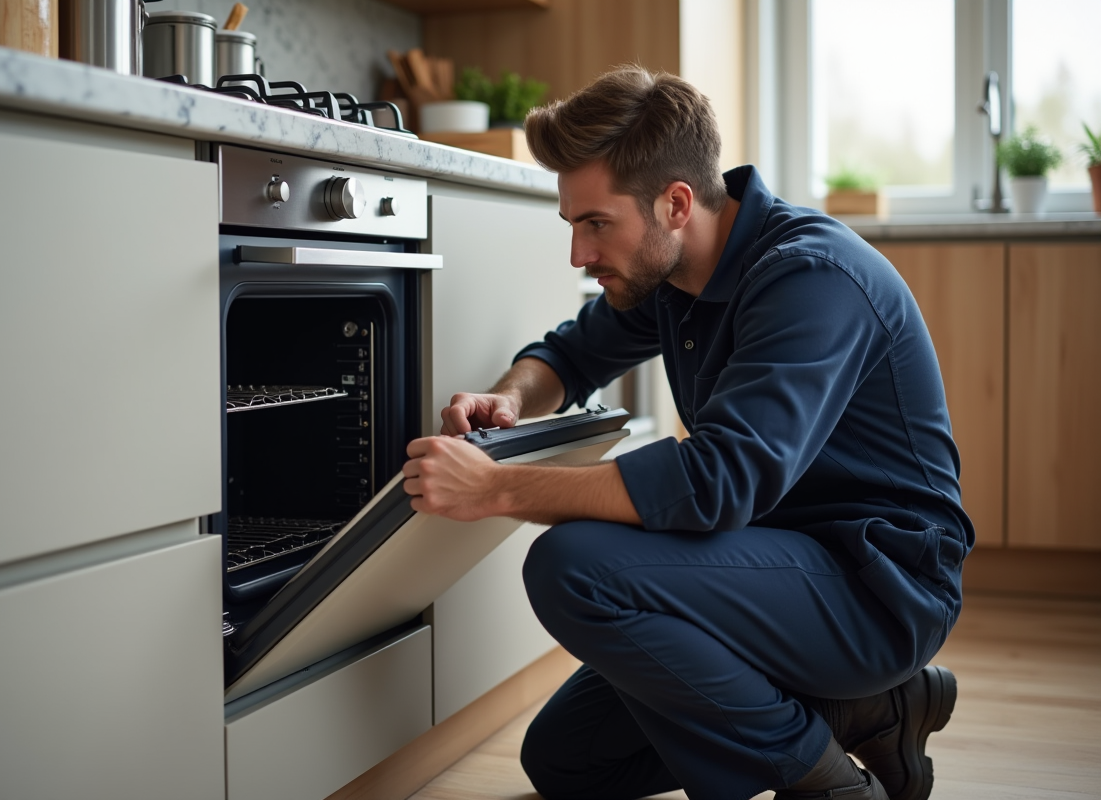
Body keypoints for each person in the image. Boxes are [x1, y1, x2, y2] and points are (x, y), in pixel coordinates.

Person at [401, 66, 969, 800]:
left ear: (674, 204)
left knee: (572, 564)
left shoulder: (811, 280)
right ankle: (872, 710)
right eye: (573, 224)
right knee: (569, 762)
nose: (579, 253)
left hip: (876, 591)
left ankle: (824, 783)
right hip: (769, 568)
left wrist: (497, 488)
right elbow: (571, 353)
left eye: (595, 223)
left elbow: (717, 483)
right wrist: (509, 397)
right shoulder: (674, 272)